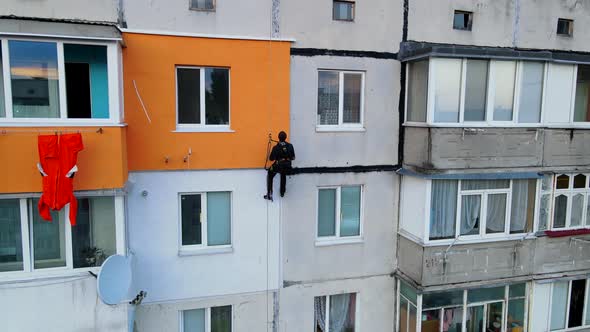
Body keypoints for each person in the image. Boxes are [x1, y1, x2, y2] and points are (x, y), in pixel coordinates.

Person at [264, 131, 295, 201]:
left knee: (270, 173)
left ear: (278, 138)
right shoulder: (290, 145)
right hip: (288, 166)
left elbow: (271, 159)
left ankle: (269, 193)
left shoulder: (276, 147)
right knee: (283, 174)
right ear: (285, 137)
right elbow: (293, 158)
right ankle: (282, 192)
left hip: (279, 166)